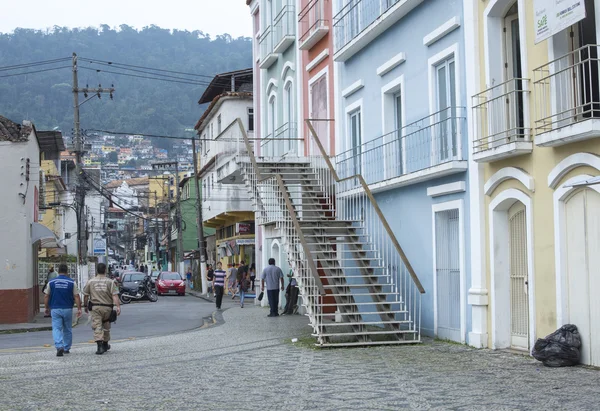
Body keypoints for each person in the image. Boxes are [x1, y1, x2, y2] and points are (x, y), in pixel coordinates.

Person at [44, 264, 82, 356]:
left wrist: (46, 308)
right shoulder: (72, 282)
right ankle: (66, 347)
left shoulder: (51, 282)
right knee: (67, 329)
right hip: (68, 309)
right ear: (67, 271)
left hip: (55, 309)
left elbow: (46, 295)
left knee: (56, 328)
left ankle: (59, 346)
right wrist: (79, 308)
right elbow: (76, 296)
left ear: (58, 271)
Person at [83, 263, 121, 355]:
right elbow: (115, 295)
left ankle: (99, 346)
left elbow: (86, 295)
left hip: (95, 307)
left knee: (97, 326)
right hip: (107, 307)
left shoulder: (90, 282)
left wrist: (85, 305)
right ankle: (105, 343)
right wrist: (118, 306)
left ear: (96, 270)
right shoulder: (111, 282)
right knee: (106, 326)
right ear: (105, 270)